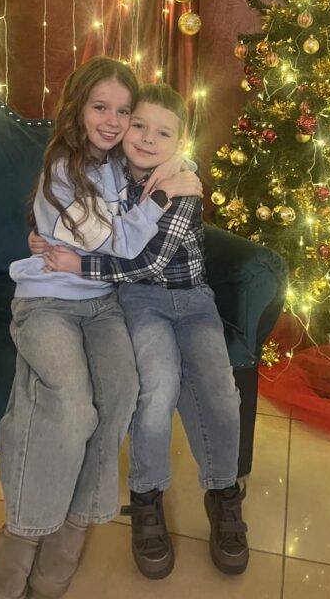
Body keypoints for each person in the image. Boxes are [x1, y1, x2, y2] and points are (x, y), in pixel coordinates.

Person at [0, 58, 202, 599]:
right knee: (70, 407)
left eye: (124, 111)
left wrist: (181, 172)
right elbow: (120, 240)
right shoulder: (62, 166)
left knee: (121, 392)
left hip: (102, 303)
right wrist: (164, 195)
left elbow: (172, 150)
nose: (114, 121)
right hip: (47, 302)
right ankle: (22, 538)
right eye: (101, 107)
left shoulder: (121, 160)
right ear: (78, 108)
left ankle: (71, 535)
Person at [38, 83, 247, 581]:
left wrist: (80, 266)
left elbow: (145, 259)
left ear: (179, 142)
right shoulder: (109, 177)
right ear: (126, 127)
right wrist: (46, 236)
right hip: (140, 302)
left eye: (163, 133)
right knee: (156, 387)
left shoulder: (183, 183)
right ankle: (147, 497)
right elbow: (86, 223)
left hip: (193, 300)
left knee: (220, 390)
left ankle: (223, 493)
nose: (148, 139)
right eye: (139, 126)